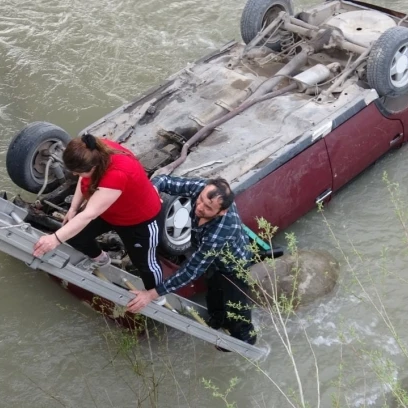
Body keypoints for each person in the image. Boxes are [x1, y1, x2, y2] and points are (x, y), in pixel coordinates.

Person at [126, 175, 257, 347]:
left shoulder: (221, 231)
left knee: (236, 306)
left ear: (221, 212)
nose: (199, 207)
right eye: (200, 200)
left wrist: (151, 294)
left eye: (208, 208)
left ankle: (244, 339)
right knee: (214, 295)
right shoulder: (203, 188)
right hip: (210, 260)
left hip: (233, 264)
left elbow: (190, 271)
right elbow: (164, 180)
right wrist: (153, 192)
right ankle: (217, 321)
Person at [32, 134, 165, 294]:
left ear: (93, 168)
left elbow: (89, 214)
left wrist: (55, 239)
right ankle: (101, 259)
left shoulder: (117, 174)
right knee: (74, 234)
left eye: (78, 172)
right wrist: (73, 208)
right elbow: (84, 180)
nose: (75, 175)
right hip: (110, 209)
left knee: (145, 263)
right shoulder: (92, 150)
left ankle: (155, 294)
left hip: (140, 219)